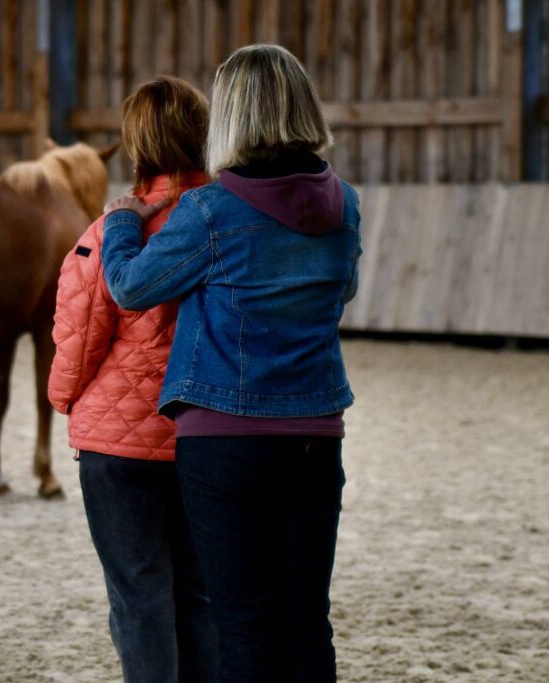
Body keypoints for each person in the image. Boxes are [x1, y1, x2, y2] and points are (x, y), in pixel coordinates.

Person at [101, 45, 362, 682]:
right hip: (315, 432)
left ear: (234, 118)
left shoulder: (210, 212)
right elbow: (343, 291)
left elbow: (132, 287)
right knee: (306, 619)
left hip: (225, 439)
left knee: (241, 620)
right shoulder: (345, 204)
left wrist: (120, 225)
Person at [48, 76, 217, 682]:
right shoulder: (224, 222)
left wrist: (65, 399)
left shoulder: (106, 233)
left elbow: (79, 337)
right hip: (204, 434)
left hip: (117, 448)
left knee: (139, 596)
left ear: (136, 143)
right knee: (199, 596)